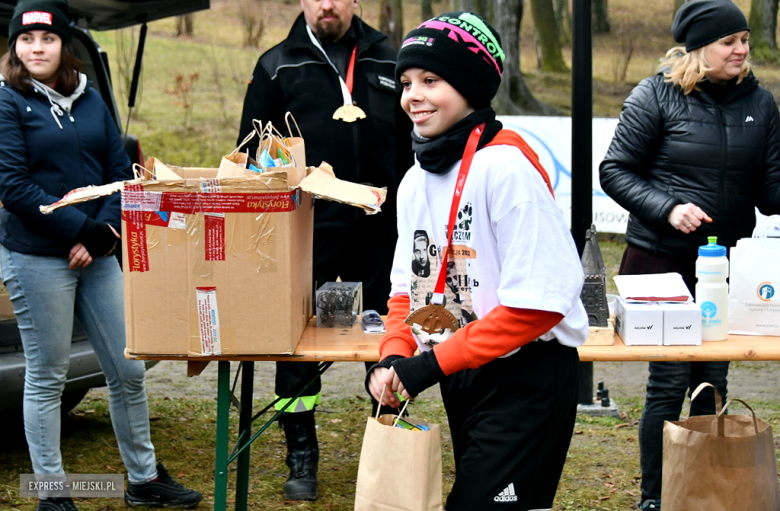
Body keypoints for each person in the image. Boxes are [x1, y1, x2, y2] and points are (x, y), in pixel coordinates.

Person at [365, 12, 589, 511]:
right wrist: (394, 357)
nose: (412, 96)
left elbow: (539, 307)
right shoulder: (415, 181)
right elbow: (408, 291)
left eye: (431, 80)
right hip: (464, 372)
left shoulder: (507, 167)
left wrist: (430, 365)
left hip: (527, 376)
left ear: (470, 87)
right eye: (405, 83)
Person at [0, 1, 203, 510]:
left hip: (98, 251)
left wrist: (105, 232)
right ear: (15, 48)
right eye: (26, 40)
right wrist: (86, 230)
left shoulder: (90, 100)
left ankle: (142, 479)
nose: (36, 48)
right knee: (47, 376)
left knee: (128, 369)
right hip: (37, 258)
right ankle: (52, 493)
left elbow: (120, 170)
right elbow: (14, 188)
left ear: (63, 45)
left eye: (46, 39)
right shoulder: (6, 102)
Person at [599, 1, 780, 509]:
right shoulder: (656, 94)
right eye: (729, 42)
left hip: (723, 268)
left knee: (712, 379)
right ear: (700, 47)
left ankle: (702, 489)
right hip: (660, 259)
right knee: (669, 381)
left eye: (745, 39)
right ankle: (657, 497)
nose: (742, 49)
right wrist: (669, 207)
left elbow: (772, 193)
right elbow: (614, 170)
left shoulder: (761, 104)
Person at [236, 0, 413, 501]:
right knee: (296, 345)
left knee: (388, 337)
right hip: (306, 234)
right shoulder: (276, 64)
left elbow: (411, 145)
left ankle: (391, 441)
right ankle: (301, 455)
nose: (327, 4)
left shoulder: (389, 58)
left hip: (382, 233)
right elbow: (251, 155)